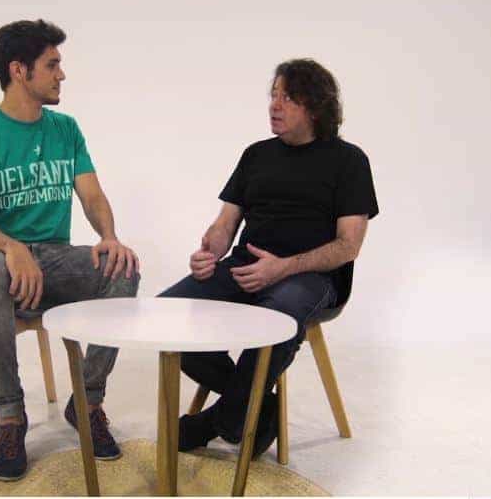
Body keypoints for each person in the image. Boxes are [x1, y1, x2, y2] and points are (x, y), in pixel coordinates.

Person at [0, 19, 140, 481]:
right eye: (52, 65)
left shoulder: (65, 130)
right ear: (19, 70)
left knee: (123, 268)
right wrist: (12, 247)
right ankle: (10, 416)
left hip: (52, 260)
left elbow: (92, 196)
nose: (62, 74)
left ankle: (87, 402)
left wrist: (109, 236)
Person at [159, 58, 378, 457]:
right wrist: (208, 252)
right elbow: (226, 222)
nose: (275, 105)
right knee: (167, 314)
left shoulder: (349, 161)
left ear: (316, 107)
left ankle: (217, 421)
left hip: (312, 277)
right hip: (244, 267)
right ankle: (260, 409)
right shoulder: (257, 155)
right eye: (273, 95)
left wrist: (283, 267)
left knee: (277, 316)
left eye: (288, 98)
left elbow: (349, 246)